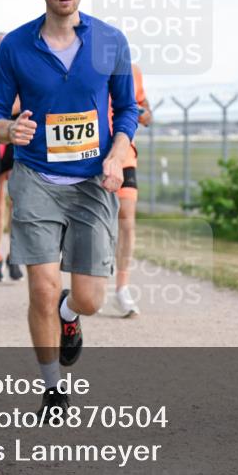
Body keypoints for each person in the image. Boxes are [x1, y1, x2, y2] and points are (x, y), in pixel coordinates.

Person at [0, 0, 137, 413]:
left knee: (88, 300)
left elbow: (128, 109)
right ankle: (52, 386)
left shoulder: (110, 41)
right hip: (35, 179)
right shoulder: (15, 46)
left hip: (92, 182)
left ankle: (71, 315)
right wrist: (10, 128)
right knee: (42, 288)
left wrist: (117, 152)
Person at [100, 63, 152, 317]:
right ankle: (94, 284)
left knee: (127, 222)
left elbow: (147, 114)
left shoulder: (133, 71)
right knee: (96, 224)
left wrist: (143, 114)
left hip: (124, 157)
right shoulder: (85, 66)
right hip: (93, 156)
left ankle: (122, 288)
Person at [0, 31, 24, 282]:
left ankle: (13, 255)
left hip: (14, 137)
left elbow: (19, 103)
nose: (1, 50)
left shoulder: (17, 68)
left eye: (4, 46)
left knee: (16, 202)